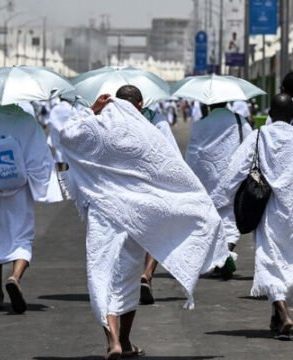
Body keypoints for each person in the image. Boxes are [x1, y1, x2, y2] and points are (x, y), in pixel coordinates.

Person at [59, 91, 229, 359]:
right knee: (127, 277)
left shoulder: (98, 126)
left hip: (104, 212)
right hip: (137, 216)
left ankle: (114, 340)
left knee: (101, 272)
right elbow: (172, 168)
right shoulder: (148, 133)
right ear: (140, 105)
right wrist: (196, 203)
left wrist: (92, 109)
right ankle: (124, 340)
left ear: (112, 102)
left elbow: (66, 134)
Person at [0, 103, 62, 313]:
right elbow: (40, 158)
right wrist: (31, 180)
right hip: (20, 192)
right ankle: (15, 277)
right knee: (22, 237)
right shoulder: (28, 122)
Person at [212, 93, 293, 339]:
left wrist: (216, 201)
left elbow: (234, 170)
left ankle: (283, 313)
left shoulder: (259, 136)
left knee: (270, 259)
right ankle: (279, 317)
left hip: (270, 211)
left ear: (270, 114)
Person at [119, 86, 181, 305]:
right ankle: (147, 273)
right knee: (155, 232)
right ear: (141, 102)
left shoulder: (111, 120)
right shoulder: (156, 119)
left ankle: (126, 282)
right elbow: (172, 154)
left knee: (128, 235)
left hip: (123, 187)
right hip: (152, 185)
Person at [185, 102, 252, 273]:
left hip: (207, 178)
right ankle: (227, 252)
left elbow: (192, 153)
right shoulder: (238, 120)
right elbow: (250, 145)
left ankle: (220, 256)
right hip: (233, 177)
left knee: (211, 219)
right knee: (230, 219)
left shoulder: (200, 124)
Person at [46, 97, 76, 171]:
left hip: (57, 139)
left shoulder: (54, 109)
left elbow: (51, 124)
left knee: (58, 159)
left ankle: (60, 179)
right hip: (70, 140)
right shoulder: (72, 109)